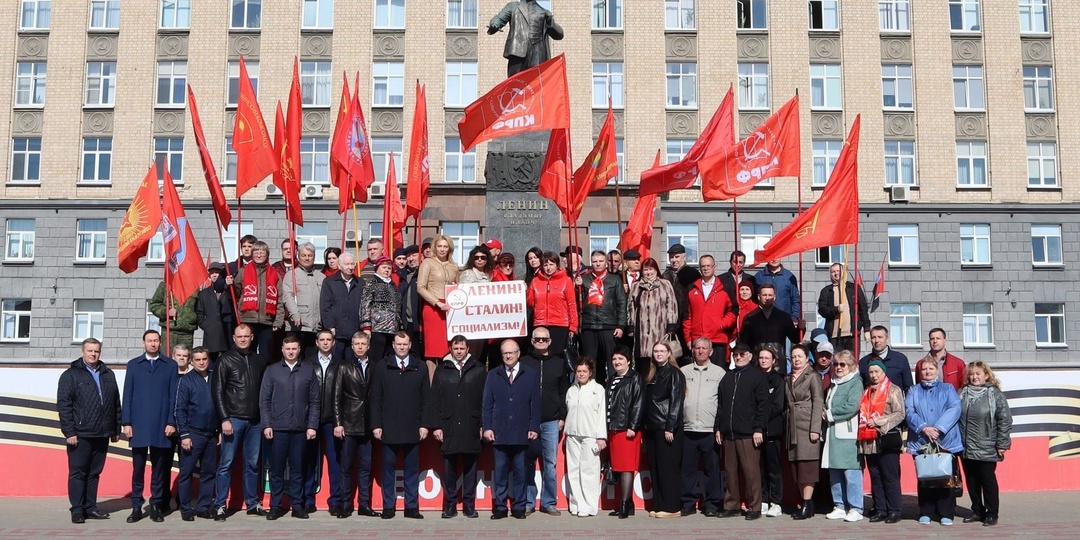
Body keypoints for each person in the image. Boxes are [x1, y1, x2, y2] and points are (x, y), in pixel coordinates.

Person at [58, 338, 121, 524]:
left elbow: (115, 402)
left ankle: (91, 507)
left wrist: (115, 428)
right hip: (80, 433)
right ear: (83, 352)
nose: (93, 354)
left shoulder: (108, 373)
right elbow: (64, 405)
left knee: (94, 473)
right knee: (78, 473)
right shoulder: (70, 375)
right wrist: (69, 432)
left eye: (96, 351)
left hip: (102, 433)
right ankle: (77, 509)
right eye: (90, 351)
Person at [369, 332, 430, 519]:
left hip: (413, 427)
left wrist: (425, 424)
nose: (402, 347)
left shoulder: (419, 367)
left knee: (412, 470)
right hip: (388, 427)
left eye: (405, 344)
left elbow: (426, 399)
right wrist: (376, 425)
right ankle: (389, 506)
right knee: (388, 470)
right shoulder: (382, 366)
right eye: (398, 344)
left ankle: (411, 507)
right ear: (393, 345)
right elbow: (375, 398)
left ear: (410, 345)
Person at [260, 335, 320, 520]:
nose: (291, 351)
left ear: (299, 349)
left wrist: (312, 426)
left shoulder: (308, 371)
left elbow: (315, 401)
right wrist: (267, 424)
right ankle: (275, 506)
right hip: (278, 429)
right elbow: (264, 401)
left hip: (301, 429)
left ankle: (297, 506)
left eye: (294, 348)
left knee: (298, 469)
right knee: (277, 469)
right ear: (282, 350)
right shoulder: (272, 371)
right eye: (288, 348)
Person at [211, 324, 268, 520]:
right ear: (234, 338)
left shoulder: (260, 361)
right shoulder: (225, 360)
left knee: (252, 464)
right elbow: (217, 391)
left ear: (252, 337)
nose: (243, 339)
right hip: (233, 419)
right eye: (239, 336)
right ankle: (219, 505)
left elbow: (264, 391)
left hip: (255, 421)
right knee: (226, 464)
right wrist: (224, 419)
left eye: (246, 336)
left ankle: (252, 503)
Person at [122, 330, 179, 523]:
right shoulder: (133, 365)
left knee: (159, 469)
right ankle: (137, 506)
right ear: (143, 343)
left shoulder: (170, 365)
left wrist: (171, 421)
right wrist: (126, 422)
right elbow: (127, 395)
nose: (153, 344)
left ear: (160, 343)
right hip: (138, 426)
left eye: (156, 341)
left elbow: (173, 396)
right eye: (149, 341)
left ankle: (156, 505)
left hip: (161, 426)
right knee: (138, 469)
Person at [483, 339, 541, 520]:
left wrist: (533, 426)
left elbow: (536, 404)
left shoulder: (530, 374)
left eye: (511, 352)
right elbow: (487, 404)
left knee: (520, 473)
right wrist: (487, 427)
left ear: (518, 353)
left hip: (521, 432)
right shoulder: (493, 375)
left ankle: (519, 508)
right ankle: (500, 508)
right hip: (499, 432)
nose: (508, 356)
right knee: (499, 473)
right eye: (505, 353)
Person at [430, 335, 486, 519]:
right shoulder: (442, 370)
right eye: (456, 348)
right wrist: (436, 426)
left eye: (462, 348)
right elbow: (435, 399)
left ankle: (469, 505)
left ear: (468, 349)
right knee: (449, 468)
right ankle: (450, 505)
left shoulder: (478, 369)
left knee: (470, 468)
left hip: (471, 424)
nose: (459, 351)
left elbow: (485, 400)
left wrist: (483, 425)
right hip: (449, 425)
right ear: (451, 349)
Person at [713, 342, 769, 520]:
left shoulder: (757, 376)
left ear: (750, 356)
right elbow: (720, 406)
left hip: (748, 433)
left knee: (751, 472)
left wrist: (758, 428)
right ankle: (732, 505)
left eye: (742, 354)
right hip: (728, 433)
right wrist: (718, 428)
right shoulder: (727, 377)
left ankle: (754, 507)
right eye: (735, 354)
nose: (738, 357)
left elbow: (763, 405)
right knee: (730, 472)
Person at [906, 357, 963, 525]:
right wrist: (924, 427)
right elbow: (909, 411)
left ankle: (946, 512)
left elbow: (955, 408)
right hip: (921, 440)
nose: (927, 372)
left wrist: (938, 428)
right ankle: (926, 511)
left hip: (945, 440)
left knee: (945, 477)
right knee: (926, 477)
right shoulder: (913, 391)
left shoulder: (948, 388)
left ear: (937, 371)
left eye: (931, 368)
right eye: (924, 369)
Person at [520, 326, 569, 515]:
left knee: (550, 463)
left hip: (551, 420)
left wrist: (562, 416)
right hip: (528, 421)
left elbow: (564, 391)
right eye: (537, 339)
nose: (541, 341)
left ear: (550, 341)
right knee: (528, 462)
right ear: (532, 342)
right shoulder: (524, 362)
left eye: (544, 339)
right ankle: (528, 502)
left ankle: (549, 502)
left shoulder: (559, 362)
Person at [958, 361, 1012, 527]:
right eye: (971, 374)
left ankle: (992, 513)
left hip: (988, 446)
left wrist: (1002, 443)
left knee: (987, 480)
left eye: (978, 374)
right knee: (972, 480)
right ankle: (977, 510)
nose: (974, 377)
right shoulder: (962, 393)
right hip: (966, 446)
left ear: (986, 376)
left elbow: (1005, 420)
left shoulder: (995, 395)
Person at [333, 332, 381, 518]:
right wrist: (338, 423)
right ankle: (345, 505)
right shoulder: (344, 367)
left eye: (363, 343)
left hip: (367, 424)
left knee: (365, 467)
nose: (360, 347)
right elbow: (336, 397)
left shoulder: (375, 367)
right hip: (349, 423)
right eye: (357, 344)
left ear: (368, 346)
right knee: (346, 467)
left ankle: (364, 505)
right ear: (351, 347)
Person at [857, 359, 906, 524]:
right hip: (869, 441)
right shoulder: (866, 391)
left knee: (889, 476)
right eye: (871, 372)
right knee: (876, 477)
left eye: (877, 371)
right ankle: (880, 509)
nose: (874, 375)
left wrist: (880, 421)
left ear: (883, 373)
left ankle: (894, 510)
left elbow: (900, 413)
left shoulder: (893, 389)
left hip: (886, 438)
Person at [679, 337, 724, 517]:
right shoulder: (683, 372)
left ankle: (712, 504)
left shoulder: (719, 373)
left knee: (712, 470)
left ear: (711, 351)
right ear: (693, 350)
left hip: (709, 430)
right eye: (697, 348)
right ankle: (688, 503)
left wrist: (719, 427)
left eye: (704, 348)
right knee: (687, 470)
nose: (700, 351)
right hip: (688, 429)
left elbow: (722, 403)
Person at [174, 347, 218, 521]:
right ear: (191, 361)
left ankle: (203, 507)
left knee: (208, 472)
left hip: (211, 434)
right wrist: (184, 435)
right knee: (186, 472)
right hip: (192, 434)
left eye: (204, 359)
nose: (201, 362)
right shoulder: (186, 381)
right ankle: (185, 508)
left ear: (208, 360)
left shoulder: (215, 378)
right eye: (197, 359)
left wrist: (220, 429)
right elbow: (180, 410)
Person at [822, 350, 866, 523]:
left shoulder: (855, 383)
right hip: (833, 434)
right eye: (836, 364)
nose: (838, 367)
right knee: (835, 470)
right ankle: (839, 505)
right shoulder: (834, 383)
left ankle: (856, 507)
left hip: (848, 434)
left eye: (843, 364)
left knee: (851, 471)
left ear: (852, 366)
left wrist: (829, 414)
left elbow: (852, 406)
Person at [643, 341, 685, 519]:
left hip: (666, 428)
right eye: (655, 351)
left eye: (662, 351)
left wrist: (670, 426)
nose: (658, 354)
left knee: (668, 468)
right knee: (656, 468)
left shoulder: (674, 373)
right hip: (652, 427)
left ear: (669, 353)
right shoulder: (653, 373)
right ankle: (659, 503)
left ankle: (672, 506)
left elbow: (676, 402)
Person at [564, 356, 608, 518]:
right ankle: (575, 503)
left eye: (584, 371)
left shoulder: (598, 389)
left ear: (590, 373)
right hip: (573, 435)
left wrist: (601, 436)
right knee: (574, 470)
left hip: (590, 435)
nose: (581, 374)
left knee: (589, 471)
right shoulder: (571, 390)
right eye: (578, 371)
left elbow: (602, 414)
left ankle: (589, 506)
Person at [306, 330, 344, 516]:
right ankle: (307, 499)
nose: (326, 343)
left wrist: (339, 420)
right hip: (311, 420)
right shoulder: (307, 363)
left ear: (334, 342)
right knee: (309, 461)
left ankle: (335, 501)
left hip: (332, 420)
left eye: (329, 340)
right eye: (322, 340)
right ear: (316, 342)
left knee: (335, 462)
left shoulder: (340, 364)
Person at [785, 343, 824, 520]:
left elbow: (818, 402)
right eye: (793, 357)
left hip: (807, 426)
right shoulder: (787, 378)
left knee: (808, 468)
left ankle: (807, 503)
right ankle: (806, 503)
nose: (796, 359)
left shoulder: (812, 376)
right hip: (792, 426)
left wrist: (815, 429)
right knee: (797, 469)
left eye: (799, 356)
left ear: (807, 358)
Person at [578, 249, 627, 384]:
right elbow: (577, 301)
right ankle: (591, 388)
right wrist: (577, 287)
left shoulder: (615, 279)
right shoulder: (584, 279)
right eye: (594, 261)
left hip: (609, 325)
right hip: (589, 325)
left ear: (606, 263)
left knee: (611, 360)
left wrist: (621, 325)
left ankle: (613, 387)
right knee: (590, 361)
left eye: (601, 261)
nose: (598, 264)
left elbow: (622, 303)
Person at [606, 346, 644, 519]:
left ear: (628, 361)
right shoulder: (612, 378)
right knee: (618, 467)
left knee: (627, 466)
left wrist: (633, 426)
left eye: (621, 359)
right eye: (614, 359)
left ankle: (624, 503)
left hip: (627, 429)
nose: (617, 362)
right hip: (613, 428)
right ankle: (628, 503)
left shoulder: (635, 378)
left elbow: (638, 403)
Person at [683, 254, 737, 367]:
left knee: (718, 374)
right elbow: (687, 315)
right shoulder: (692, 288)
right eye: (703, 266)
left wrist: (722, 324)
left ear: (714, 267)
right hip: (698, 340)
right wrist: (688, 338)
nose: (705, 268)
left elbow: (734, 309)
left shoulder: (725, 286)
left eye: (708, 266)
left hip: (718, 339)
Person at [628, 257, 678, 374]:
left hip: (660, 329)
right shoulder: (636, 286)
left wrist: (671, 324)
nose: (648, 273)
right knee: (644, 364)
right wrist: (630, 325)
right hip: (642, 332)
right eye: (645, 270)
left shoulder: (665, 284)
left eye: (651, 269)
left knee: (659, 358)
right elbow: (630, 307)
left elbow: (671, 305)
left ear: (656, 270)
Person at [488, 0, 565, 76]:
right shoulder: (513, 6)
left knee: (536, 84)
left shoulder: (544, 12)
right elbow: (499, 19)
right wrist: (495, 24)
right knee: (515, 83)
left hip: (538, 54)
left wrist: (550, 22)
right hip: (517, 52)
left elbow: (559, 35)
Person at [417, 235, 460, 372]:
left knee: (447, 347)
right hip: (433, 308)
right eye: (439, 246)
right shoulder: (428, 262)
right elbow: (421, 287)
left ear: (450, 248)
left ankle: (446, 380)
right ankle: (431, 385)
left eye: (445, 246)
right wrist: (437, 303)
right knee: (433, 349)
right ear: (435, 247)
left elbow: (457, 287)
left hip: (450, 309)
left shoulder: (454, 266)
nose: (442, 249)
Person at [233, 240, 281, 358]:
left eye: (262, 252)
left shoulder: (275, 274)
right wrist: (231, 284)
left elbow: (280, 298)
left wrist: (278, 321)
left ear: (267, 255)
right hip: (247, 319)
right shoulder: (243, 272)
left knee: (266, 355)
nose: (259, 255)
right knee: (247, 353)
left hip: (267, 320)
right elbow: (235, 294)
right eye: (256, 252)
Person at [526, 251, 578, 355]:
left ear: (557, 265)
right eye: (545, 265)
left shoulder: (566, 280)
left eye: (551, 264)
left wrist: (573, 327)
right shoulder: (536, 281)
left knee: (557, 355)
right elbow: (530, 303)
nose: (548, 268)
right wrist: (526, 292)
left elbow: (572, 305)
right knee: (540, 354)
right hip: (540, 324)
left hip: (560, 324)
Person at [740, 283, 800, 372]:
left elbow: (795, 339)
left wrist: (800, 328)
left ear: (774, 297)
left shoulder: (784, 317)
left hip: (778, 365)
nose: (767, 298)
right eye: (764, 295)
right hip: (757, 364)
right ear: (759, 297)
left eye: (770, 295)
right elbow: (744, 343)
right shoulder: (750, 318)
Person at [281, 242, 325, 360]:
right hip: (298, 326)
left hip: (316, 326)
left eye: (310, 255)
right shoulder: (292, 275)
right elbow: (287, 296)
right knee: (294, 358)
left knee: (312, 360)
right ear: (298, 256)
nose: (307, 258)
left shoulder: (321, 277)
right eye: (304, 255)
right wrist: (295, 313)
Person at [757, 346, 787, 517]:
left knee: (773, 468)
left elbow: (777, 406)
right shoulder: (754, 377)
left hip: (772, 430)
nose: (763, 361)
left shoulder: (778, 380)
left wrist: (761, 417)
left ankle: (776, 502)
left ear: (773, 361)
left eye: (767, 358)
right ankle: (763, 500)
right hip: (757, 431)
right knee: (759, 467)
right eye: (761, 357)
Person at [816, 263, 870, 354]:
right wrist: (836, 309)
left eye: (838, 271)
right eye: (833, 272)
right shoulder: (826, 291)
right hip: (834, 336)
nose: (836, 273)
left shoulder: (853, 288)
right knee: (837, 363)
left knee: (852, 362)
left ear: (843, 272)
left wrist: (867, 329)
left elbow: (863, 310)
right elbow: (822, 310)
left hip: (852, 335)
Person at [321, 251, 364, 360]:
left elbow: (364, 307)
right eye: (347, 264)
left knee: (351, 366)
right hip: (337, 332)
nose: (350, 267)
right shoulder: (329, 282)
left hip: (354, 331)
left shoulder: (360, 283)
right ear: (339, 266)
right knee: (336, 364)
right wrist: (330, 326)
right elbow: (325, 306)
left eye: (352, 264)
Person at [359, 256, 403, 362]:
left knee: (389, 359)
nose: (387, 270)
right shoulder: (371, 283)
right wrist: (366, 327)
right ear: (377, 268)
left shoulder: (393, 285)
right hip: (377, 328)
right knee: (376, 359)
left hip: (392, 329)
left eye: (389, 268)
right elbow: (365, 305)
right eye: (384, 267)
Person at [859, 325, 914, 393]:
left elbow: (909, 388)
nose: (877, 340)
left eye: (880, 337)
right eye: (873, 337)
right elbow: (860, 390)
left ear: (887, 339)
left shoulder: (900, 359)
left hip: (894, 402)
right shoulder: (863, 362)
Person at [149, 281, 198, 351]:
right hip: (169, 331)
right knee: (167, 359)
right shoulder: (165, 285)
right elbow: (154, 305)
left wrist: (194, 318)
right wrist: (166, 312)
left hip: (187, 333)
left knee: (184, 359)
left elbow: (200, 308)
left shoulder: (194, 286)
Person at [196, 263, 229, 362]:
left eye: (217, 272)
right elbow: (199, 312)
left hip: (226, 332)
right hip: (211, 334)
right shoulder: (203, 294)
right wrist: (205, 325)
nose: (214, 275)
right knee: (210, 363)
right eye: (212, 273)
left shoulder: (228, 290)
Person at [754, 258, 802, 326]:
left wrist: (794, 317)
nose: (774, 260)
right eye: (772, 257)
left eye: (777, 257)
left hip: (784, 320)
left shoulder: (789, 277)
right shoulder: (759, 277)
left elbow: (795, 299)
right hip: (763, 320)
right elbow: (754, 299)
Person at [718, 250, 756, 315]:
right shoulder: (720, 279)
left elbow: (754, 299)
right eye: (735, 262)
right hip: (727, 314)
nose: (737, 265)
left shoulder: (750, 279)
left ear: (744, 263)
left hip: (746, 315)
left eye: (740, 262)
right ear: (730, 262)